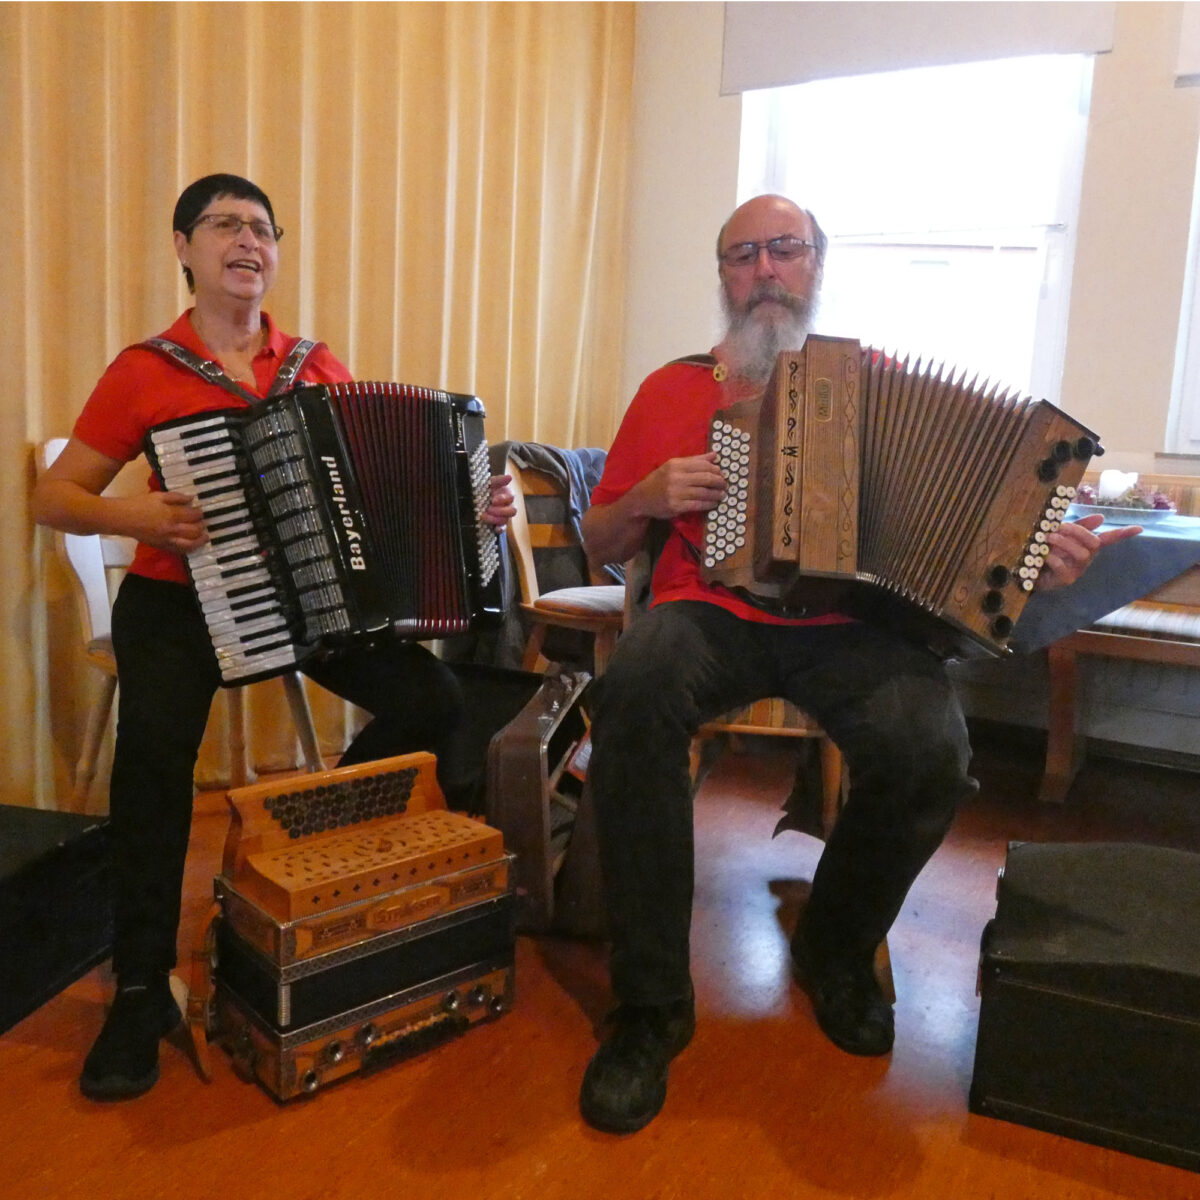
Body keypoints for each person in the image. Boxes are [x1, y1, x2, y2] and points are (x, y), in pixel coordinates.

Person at [575, 193, 1140, 1134]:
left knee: (930, 750)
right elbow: (598, 539)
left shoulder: (877, 383)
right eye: (742, 255)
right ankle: (650, 1005)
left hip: (849, 623)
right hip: (705, 611)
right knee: (632, 695)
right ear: (721, 276)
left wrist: (1040, 550)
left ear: (815, 265)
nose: (763, 270)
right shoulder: (672, 388)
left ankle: (835, 948)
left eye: (783, 250)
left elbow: (981, 526)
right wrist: (639, 496)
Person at [32, 173, 516, 1102]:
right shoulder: (146, 369)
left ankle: (310, 840)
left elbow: (386, 494)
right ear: (183, 249)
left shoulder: (315, 365)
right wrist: (135, 515)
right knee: (151, 765)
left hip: (306, 604)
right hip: (178, 604)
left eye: (261, 229)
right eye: (223, 225)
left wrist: (474, 508)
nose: (246, 241)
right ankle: (141, 987)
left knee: (435, 700)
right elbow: (56, 496)